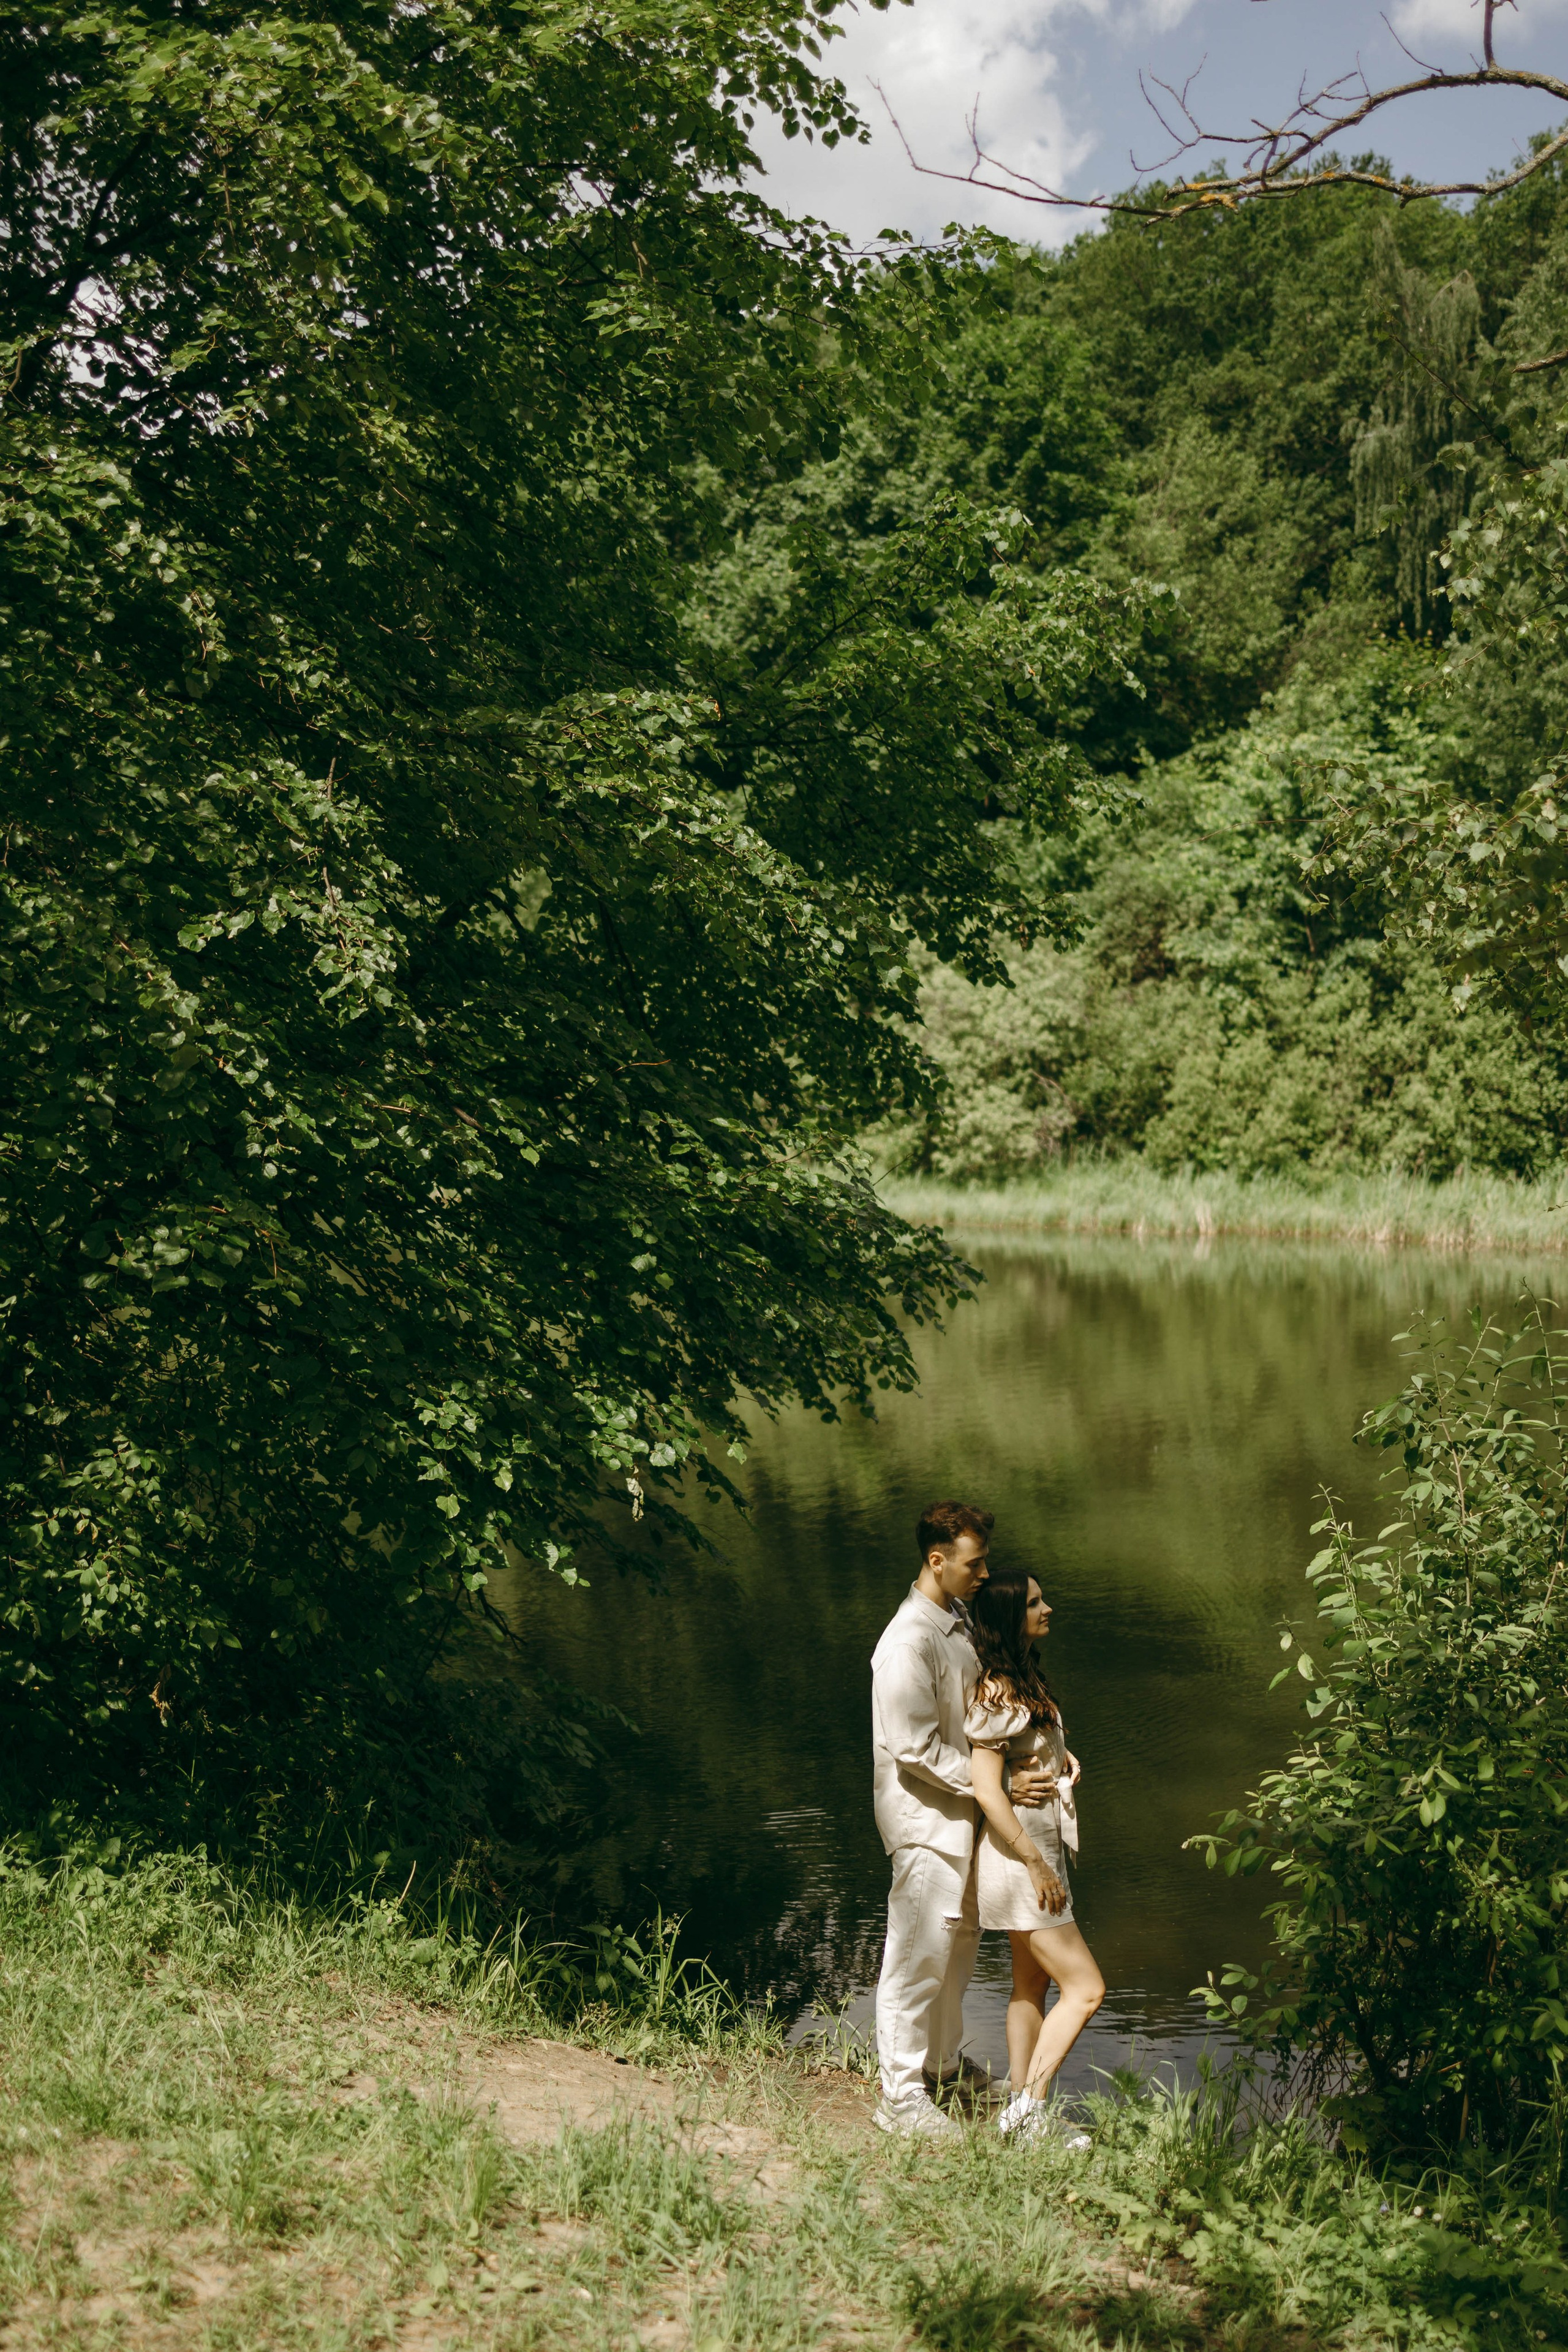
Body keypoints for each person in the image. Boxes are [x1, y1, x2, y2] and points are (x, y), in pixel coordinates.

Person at [870, 1501, 1052, 2137]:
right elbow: (911, 1748)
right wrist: (995, 1784)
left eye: (985, 1562)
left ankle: (941, 2069)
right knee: (917, 1958)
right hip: (926, 1824)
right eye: (974, 1564)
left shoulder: (957, 1619)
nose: (983, 1574)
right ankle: (898, 2098)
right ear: (936, 1560)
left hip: (968, 1821)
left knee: (957, 1954)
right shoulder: (906, 1642)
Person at [965, 1569, 1105, 2147]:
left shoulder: (1023, 1679)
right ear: (1008, 1619)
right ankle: (1028, 2109)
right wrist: (1035, 1865)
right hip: (1021, 1863)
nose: (1048, 1609)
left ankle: (1022, 2114)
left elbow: (1032, 1748)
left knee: (1031, 1987)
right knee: (1087, 1990)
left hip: (1034, 1858)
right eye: (1035, 1603)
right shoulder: (997, 1693)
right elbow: (986, 1790)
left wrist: (1062, 1758)